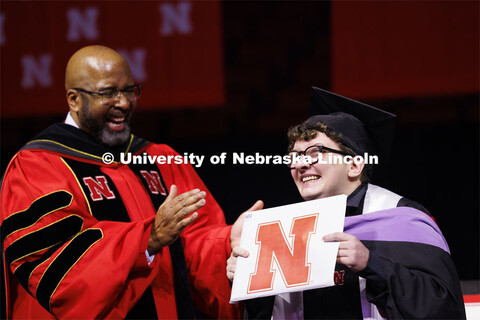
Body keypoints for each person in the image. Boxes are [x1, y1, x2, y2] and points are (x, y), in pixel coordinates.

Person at [0, 45, 262, 319]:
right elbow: (56, 265)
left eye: (129, 90)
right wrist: (147, 241)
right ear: (74, 99)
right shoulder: (38, 166)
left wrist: (226, 240)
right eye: (108, 93)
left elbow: (192, 245)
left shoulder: (158, 158)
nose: (124, 103)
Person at [227, 87, 466, 319]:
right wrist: (248, 279)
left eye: (314, 153)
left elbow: (444, 307)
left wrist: (371, 263)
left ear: (354, 165)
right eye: (295, 156)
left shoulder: (404, 220)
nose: (300, 164)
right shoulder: (284, 231)